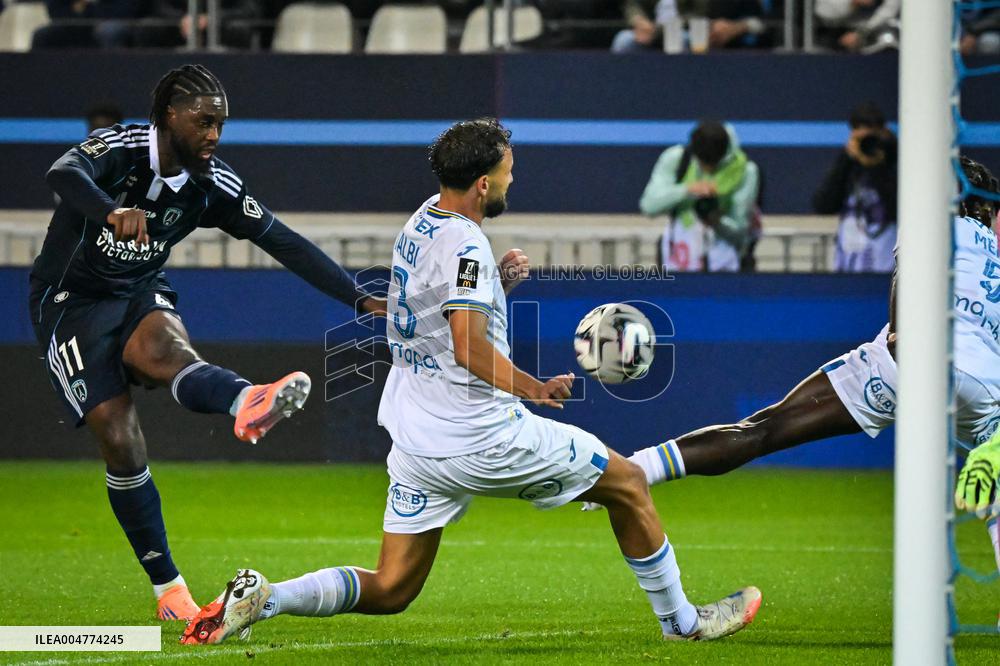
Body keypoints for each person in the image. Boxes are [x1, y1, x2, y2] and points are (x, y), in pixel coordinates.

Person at [180, 118, 762, 646]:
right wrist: (531, 386)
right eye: (508, 171)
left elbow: (427, 324)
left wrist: (495, 289)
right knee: (629, 482)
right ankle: (683, 624)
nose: (514, 178)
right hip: (481, 436)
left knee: (392, 587)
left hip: (416, 442)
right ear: (483, 183)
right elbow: (465, 347)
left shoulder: (421, 222)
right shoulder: (467, 245)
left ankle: (267, 596)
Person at [29, 64, 385, 622]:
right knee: (121, 440)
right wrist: (109, 210)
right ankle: (169, 588)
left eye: (220, 124)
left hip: (139, 289)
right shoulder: (120, 147)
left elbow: (281, 240)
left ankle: (249, 401)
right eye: (203, 122)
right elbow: (63, 172)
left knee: (169, 353)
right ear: (168, 117)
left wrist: (358, 298)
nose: (213, 135)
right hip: (69, 302)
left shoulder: (212, 182)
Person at [590, 158, 1000, 560]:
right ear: (987, 208)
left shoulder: (936, 217)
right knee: (996, 490)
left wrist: (901, 331)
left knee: (764, 429)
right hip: (985, 387)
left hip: (912, 362)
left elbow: (908, 270)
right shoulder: (993, 256)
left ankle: (631, 469)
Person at [640, 120, 759, 272]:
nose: (708, 170)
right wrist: (687, 190)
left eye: (713, 165)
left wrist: (716, 221)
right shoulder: (677, 159)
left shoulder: (746, 171)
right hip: (678, 262)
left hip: (725, 267)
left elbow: (740, 233)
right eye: (703, 163)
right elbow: (648, 206)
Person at [813, 102, 897, 273]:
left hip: (888, 267)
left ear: (884, 133)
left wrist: (877, 167)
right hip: (848, 267)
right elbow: (823, 205)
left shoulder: (898, 164)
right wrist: (846, 158)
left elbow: (897, 209)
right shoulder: (849, 166)